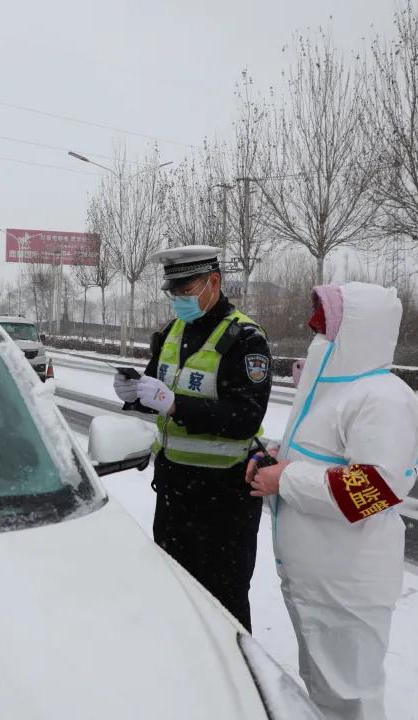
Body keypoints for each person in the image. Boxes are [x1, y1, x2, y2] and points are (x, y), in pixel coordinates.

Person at [246, 282, 418, 720]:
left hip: (348, 584)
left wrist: (284, 479)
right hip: (317, 581)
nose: (317, 333)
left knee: (351, 698)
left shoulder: (383, 396)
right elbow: (315, 460)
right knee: (326, 693)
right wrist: (273, 460)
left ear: (359, 329)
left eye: (327, 326)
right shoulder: (331, 392)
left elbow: (376, 490)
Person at [112, 245, 272, 632]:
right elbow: (159, 395)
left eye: (186, 290)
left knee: (225, 606)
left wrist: (173, 405)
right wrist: (136, 396)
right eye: (174, 291)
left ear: (213, 282)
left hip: (225, 498)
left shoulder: (245, 339)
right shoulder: (171, 332)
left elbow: (245, 417)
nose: (178, 299)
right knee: (174, 597)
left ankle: (236, 688)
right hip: (175, 492)